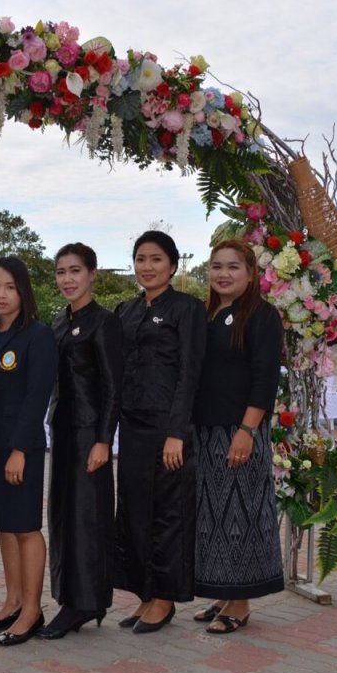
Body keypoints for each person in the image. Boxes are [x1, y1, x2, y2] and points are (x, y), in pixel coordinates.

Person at [114, 230, 206, 634]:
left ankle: (165, 599)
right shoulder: (126, 310)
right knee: (134, 513)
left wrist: (177, 432)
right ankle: (145, 594)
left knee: (168, 514)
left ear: (172, 265)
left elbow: (190, 373)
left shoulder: (187, 309)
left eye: (155, 259)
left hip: (168, 428)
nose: (147, 267)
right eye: (140, 259)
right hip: (133, 428)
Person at [191, 239, 284, 634]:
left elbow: (265, 379)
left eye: (233, 267)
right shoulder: (206, 314)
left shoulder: (262, 316)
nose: (223, 274)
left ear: (250, 273)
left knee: (241, 513)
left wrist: (247, 431)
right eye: (217, 266)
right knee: (212, 516)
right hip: (205, 431)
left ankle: (241, 603)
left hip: (239, 431)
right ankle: (222, 593)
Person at [39, 243, 122, 640]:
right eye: (61, 272)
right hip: (62, 431)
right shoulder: (59, 321)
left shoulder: (104, 322)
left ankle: (87, 602)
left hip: (90, 435)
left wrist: (104, 440)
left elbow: (113, 388)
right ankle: (68, 596)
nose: (67, 279)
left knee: (88, 518)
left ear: (92, 274)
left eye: (75, 271)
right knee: (62, 516)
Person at [0, 256, 58, 646]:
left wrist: (19, 449)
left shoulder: (37, 336)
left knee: (25, 526)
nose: (1, 295)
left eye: (10, 287)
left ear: (23, 291)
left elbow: (36, 396)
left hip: (20, 448)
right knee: (5, 525)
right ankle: (12, 602)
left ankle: (32, 609)